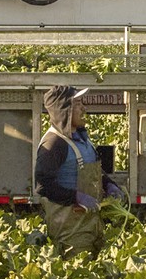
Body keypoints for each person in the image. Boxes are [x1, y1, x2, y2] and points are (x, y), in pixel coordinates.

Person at [35, 85, 125, 258]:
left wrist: (110, 185)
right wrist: (76, 197)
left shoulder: (82, 139)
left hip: (91, 224)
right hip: (70, 229)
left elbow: (94, 170)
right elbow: (43, 185)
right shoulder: (54, 143)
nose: (84, 108)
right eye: (77, 104)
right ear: (64, 110)